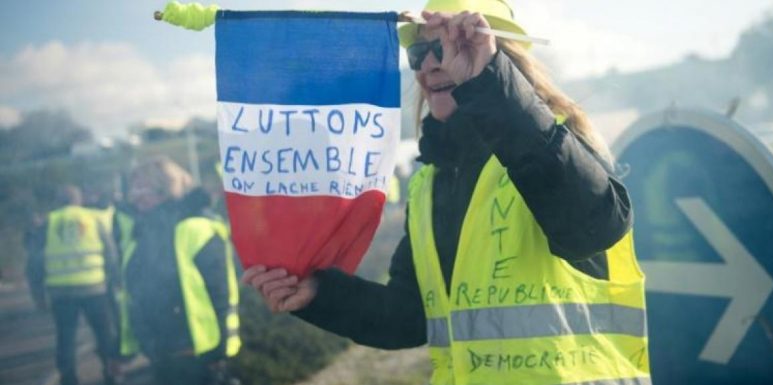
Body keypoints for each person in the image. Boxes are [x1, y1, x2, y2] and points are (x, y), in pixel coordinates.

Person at [243, 1, 651, 384]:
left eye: (447, 47)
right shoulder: (431, 182)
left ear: (499, 56)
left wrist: (488, 84)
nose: (431, 65)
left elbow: (595, 227)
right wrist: (318, 295)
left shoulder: (555, 142)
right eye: (419, 55)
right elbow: (409, 316)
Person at [118, 156, 240, 385]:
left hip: (196, 353)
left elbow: (222, 292)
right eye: (132, 189)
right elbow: (133, 294)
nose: (135, 196)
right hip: (160, 352)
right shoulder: (139, 234)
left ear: (165, 188)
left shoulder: (196, 228)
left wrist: (221, 348)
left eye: (141, 188)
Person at [25, 185, 120, 385]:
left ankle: (68, 378)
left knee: (65, 338)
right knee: (104, 334)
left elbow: (34, 262)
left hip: (61, 293)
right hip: (94, 288)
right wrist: (114, 279)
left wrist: (38, 295)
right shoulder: (93, 218)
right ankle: (112, 373)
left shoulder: (48, 223)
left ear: (58, 201)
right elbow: (110, 251)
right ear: (79, 199)